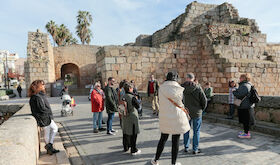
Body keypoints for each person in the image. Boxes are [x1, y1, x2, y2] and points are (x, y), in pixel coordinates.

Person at [151, 72, 190, 165]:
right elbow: (182, 103)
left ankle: (156, 160)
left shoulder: (161, 88)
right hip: (177, 116)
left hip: (165, 116)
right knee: (175, 140)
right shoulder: (179, 89)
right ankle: (173, 163)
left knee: (163, 139)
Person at [28, 80, 59, 155]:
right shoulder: (36, 97)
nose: (44, 86)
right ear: (38, 86)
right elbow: (41, 108)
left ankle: (49, 145)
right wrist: (48, 112)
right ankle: (49, 148)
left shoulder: (39, 95)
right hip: (44, 118)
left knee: (54, 128)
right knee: (47, 132)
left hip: (45, 117)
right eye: (42, 84)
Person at [182, 73, 207, 155]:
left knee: (186, 130)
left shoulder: (182, 88)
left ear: (187, 78)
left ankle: (186, 147)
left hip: (186, 112)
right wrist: (201, 109)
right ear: (193, 78)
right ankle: (195, 149)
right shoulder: (198, 87)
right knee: (196, 131)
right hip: (197, 112)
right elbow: (204, 100)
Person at [233, 74, 256, 138]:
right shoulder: (247, 84)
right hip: (246, 105)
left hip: (245, 106)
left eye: (240, 77)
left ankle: (246, 134)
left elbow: (239, 95)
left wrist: (234, 91)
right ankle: (245, 132)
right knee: (245, 120)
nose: (239, 78)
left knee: (246, 120)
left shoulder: (245, 86)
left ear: (244, 78)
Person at [122, 83, 141, 155]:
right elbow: (138, 106)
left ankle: (126, 147)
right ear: (130, 88)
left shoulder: (123, 96)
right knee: (134, 134)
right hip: (132, 117)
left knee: (126, 132)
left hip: (125, 116)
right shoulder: (132, 97)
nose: (132, 89)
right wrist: (137, 99)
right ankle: (134, 149)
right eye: (132, 88)